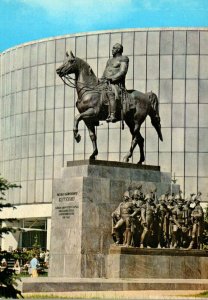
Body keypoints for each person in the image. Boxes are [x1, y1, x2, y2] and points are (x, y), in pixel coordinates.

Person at [100, 43, 129, 123]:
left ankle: (113, 114)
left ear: (118, 49)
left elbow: (123, 71)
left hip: (116, 84)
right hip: (106, 82)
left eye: (114, 48)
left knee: (110, 92)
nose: (112, 50)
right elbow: (106, 71)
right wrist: (101, 79)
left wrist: (112, 78)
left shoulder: (123, 59)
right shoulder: (109, 60)